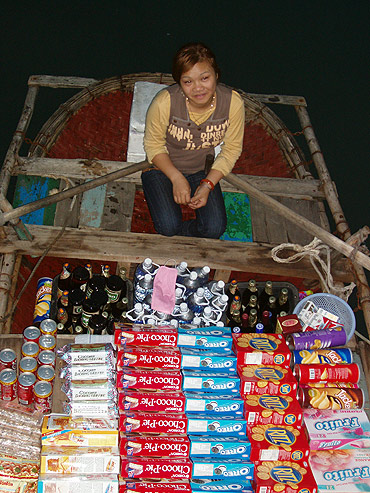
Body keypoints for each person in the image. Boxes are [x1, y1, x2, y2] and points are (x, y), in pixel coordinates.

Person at [142, 42, 245, 238]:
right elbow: (153, 145)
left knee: (215, 229)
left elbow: (231, 150)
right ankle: (170, 226)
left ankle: (184, 231)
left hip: (201, 169)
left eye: (205, 78)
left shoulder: (233, 103)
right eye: (188, 81)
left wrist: (207, 185)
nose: (198, 88)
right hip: (161, 168)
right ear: (180, 83)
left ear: (216, 75)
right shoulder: (164, 101)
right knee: (167, 227)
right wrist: (176, 177)